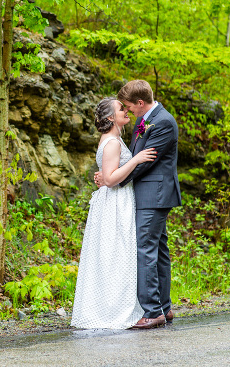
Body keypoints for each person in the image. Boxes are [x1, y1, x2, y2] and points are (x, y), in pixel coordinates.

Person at [96, 80, 182, 330]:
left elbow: (145, 162)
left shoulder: (163, 122)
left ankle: (152, 311)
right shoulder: (144, 121)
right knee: (159, 251)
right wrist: (109, 175)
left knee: (145, 250)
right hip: (145, 194)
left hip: (154, 195)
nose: (128, 110)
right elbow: (134, 157)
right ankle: (164, 307)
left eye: (129, 106)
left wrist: (112, 180)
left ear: (141, 103)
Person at [70, 97, 157, 329]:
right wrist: (137, 159)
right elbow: (109, 179)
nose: (126, 110)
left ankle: (113, 305)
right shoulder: (112, 143)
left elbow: (106, 174)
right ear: (110, 117)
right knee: (115, 255)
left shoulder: (114, 139)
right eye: (121, 109)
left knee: (114, 255)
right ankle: (112, 310)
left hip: (118, 200)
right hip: (115, 203)